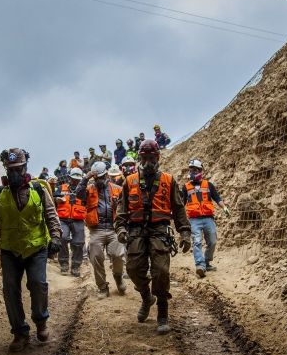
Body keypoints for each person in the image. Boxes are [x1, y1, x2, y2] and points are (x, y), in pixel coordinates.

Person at [0, 148, 62, 352]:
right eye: (10, 170)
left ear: (25, 167)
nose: (14, 173)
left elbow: (51, 215)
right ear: (6, 170)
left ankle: (41, 322)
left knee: (37, 283)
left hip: (36, 248)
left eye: (18, 169)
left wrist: (56, 237)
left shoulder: (39, 190)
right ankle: (19, 332)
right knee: (10, 289)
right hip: (9, 250)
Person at [115, 140, 191, 334]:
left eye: (151, 158)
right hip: (135, 231)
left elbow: (178, 207)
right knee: (132, 269)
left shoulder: (168, 179)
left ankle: (162, 313)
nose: (148, 162)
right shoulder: (129, 181)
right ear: (139, 158)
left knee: (161, 272)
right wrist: (121, 229)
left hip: (159, 230)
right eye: (144, 158)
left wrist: (184, 232)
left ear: (157, 158)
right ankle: (147, 297)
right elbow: (122, 209)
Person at [75, 161, 126, 299]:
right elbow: (78, 194)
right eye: (97, 178)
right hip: (96, 230)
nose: (99, 180)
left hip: (113, 229)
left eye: (102, 177)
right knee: (96, 257)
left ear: (107, 176)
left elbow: (125, 207)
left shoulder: (117, 189)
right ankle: (103, 287)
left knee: (117, 255)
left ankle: (118, 277)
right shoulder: (89, 189)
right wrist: (86, 178)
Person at [182, 159, 230, 277]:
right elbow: (181, 204)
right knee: (197, 242)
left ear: (200, 171)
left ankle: (207, 262)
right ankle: (200, 266)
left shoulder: (208, 185)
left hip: (208, 218)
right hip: (194, 220)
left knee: (212, 242)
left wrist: (224, 208)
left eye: (195, 170)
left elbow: (217, 198)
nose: (192, 172)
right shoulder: (186, 187)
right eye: (191, 170)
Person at [54, 167, 87, 276]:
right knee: (63, 238)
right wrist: (57, 199)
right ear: (69, 177)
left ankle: (76, 266)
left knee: (79, 242)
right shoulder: (60, 188)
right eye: (73, 179)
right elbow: (52, 199)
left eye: (78, 179)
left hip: (78, 219)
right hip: (63, 219)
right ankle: (64, 263)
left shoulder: (84, 190)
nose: (75, 181)